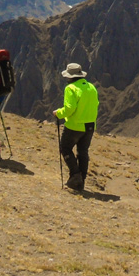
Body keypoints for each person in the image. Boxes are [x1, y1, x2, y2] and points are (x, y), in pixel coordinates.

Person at [54, 62, 98, 191]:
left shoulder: (71, 88)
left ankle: (75, 175)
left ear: (70, 76)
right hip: (90, 125)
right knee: (83, 152)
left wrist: (58, 113)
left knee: (65, 148)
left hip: (75, 125)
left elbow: (69, 108)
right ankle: (81, 181)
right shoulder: (91, 87)